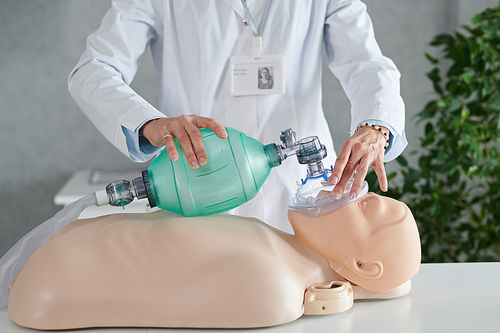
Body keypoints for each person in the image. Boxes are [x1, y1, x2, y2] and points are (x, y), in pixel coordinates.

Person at [68, 0, 407, 233]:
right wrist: (150, 123)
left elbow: (368, 66)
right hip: (200, 190)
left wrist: (375, 125)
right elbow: (93, 70)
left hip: (305, 191)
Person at [7, 192, 420, 330]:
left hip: (55, 281)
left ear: (363, 267)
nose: (347, 191)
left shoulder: (274, 289)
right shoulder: (276, 251)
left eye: (366, 205)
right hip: (56, 269)